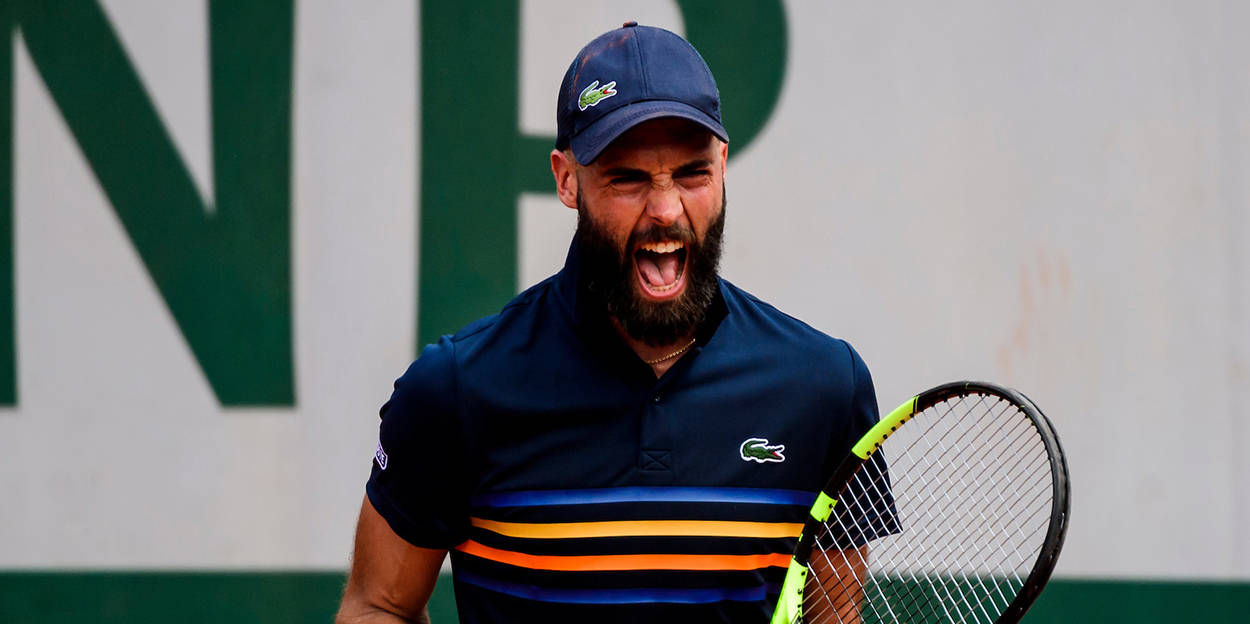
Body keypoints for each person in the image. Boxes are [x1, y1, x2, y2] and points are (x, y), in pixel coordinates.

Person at [337, 22, 887, 624]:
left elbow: (834, 617)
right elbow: (378, 605)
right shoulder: (455, 388)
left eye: (691, 174)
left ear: (723, 165)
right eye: (627, 178)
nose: (665, 210)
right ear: (567, 178)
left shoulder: (825, 388)